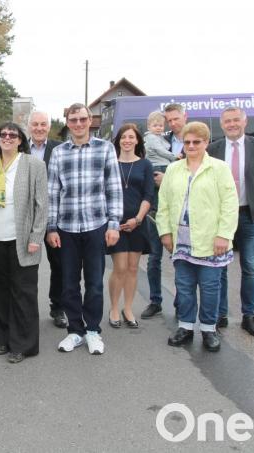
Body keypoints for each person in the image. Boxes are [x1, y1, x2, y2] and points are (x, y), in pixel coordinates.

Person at [47, 103, 122, 355]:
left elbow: (113, 188)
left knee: (94, 284)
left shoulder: (105, 149)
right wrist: (51, 227)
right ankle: (75, 331)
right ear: (67, 122)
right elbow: (53, 192)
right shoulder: (58, 152)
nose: (78, 124)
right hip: (66, 228)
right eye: (73, 119)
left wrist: (114, 224)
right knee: (68, 284)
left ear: (90, 121)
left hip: (95, 226)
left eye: (82, 119)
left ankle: (92, 331)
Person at [156, 122, 238, 352]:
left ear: (206, 143)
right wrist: (165, 232)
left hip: (211, 240)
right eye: (187, 142)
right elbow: (163, 204)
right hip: (181, 239)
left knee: (211, 287)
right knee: (184, 285)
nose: (191, 146)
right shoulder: (174, 169)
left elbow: (230, 205)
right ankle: (185, 326)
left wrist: (224, 235)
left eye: (196, 142)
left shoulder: (219, 168)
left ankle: (209, 329)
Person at [0, 123, 47, 363]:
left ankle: (22, 345)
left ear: (19, 140)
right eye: (3, 134)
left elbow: (41, 205)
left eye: (12, 135)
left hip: (22, 240)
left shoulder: (33, 165)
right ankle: (2, 338)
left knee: (22, 293)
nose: (7, 138)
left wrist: (36, 237)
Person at [208, 107, 254, 337]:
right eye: (227, 121)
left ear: (245, 122)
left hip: (249, 216)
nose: (232, 124)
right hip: (221, 218)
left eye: (236, 120)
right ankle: (220, 314)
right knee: (220, 268)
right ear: (222, 124)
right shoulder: (214, 148)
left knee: (250, 268)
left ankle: (249, 316)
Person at [141, 103, 188, 320]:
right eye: (168, 121)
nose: (171, 124)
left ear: (184, 117)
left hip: (181, 210)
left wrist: (166, 177)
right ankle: (155, 301)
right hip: (157, 208)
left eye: (175, 119)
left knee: (180, 257)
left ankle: (181, 304)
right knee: (154, 257)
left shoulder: (193, 140)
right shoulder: (162, 140)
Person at [106, 123, 154, 329]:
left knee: (133, 268)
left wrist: (138, 219)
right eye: (123, 137)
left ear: (137, 140)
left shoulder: (145, 165)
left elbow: (148, 195)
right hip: (115, 224)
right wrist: (113, 221)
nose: (127, 140)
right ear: (118, 141)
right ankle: (114, 308)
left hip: (137, 223)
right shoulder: (110, 164)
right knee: (120, 267)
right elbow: (104, 194)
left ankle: (128, 308)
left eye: (131, 137)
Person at [27, 110, 67, 328]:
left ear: (49, 127)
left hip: (53, 217)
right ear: (29, 126)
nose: (39, 128)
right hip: (26, 218)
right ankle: (27, 309)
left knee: (59, 265)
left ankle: (58, 307)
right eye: (35, 124)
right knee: (25, 266)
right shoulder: (19, 148)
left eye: (43, 124)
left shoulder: (59, 150)